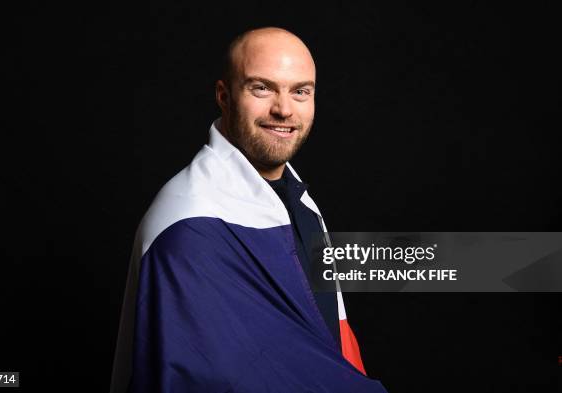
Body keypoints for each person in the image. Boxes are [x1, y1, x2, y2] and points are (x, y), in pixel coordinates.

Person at [110, 27, 387, 393]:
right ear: (224, 96)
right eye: (262, 88)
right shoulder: (190, 222)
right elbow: (211, 379)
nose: (284, 109)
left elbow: (331, 339)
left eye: (300, 91)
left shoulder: (299, 201)